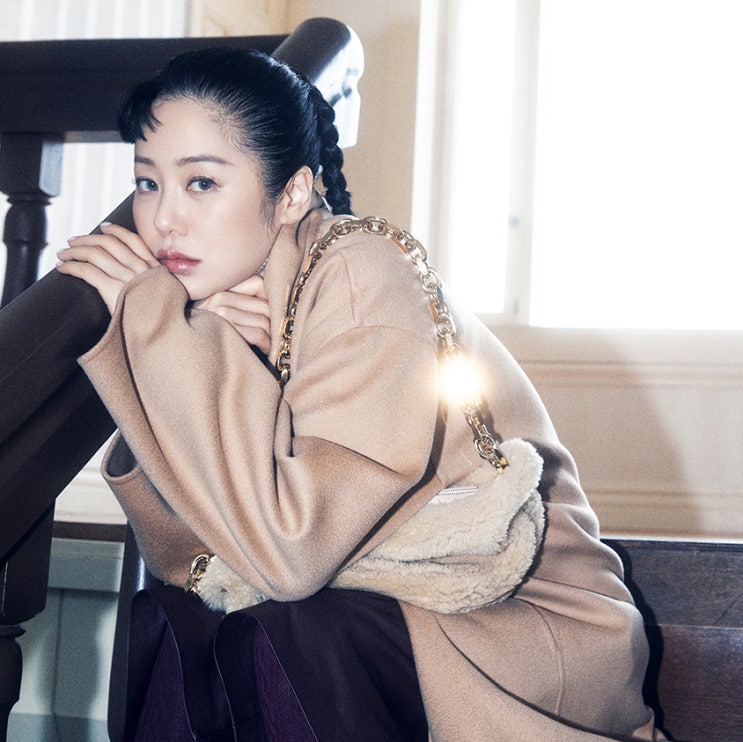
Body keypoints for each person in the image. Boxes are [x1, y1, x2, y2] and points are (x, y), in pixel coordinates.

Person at [56, 47, 662, 741]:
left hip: (514, 629)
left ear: (292, 193)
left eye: (201, 183)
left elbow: (289, 557)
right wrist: (209, 353)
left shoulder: (361, 270)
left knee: (288, 633)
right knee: (184, 623)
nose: (163, 219)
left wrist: (155, 321)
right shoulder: (233, 304)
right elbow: (194, 563)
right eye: (146, 181)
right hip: (385, 610)